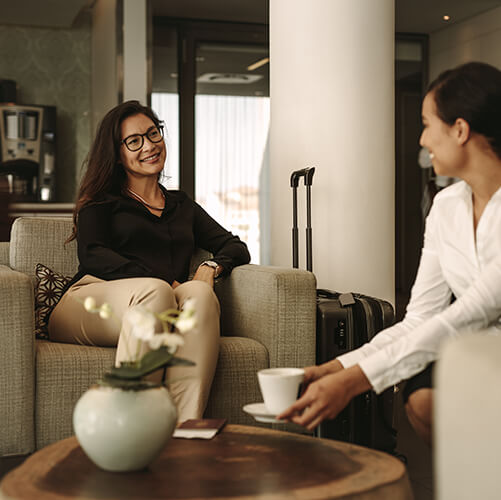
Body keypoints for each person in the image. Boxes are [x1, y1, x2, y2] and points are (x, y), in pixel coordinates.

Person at [279, 61, 501, 446]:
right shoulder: (446, 207)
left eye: (428, 124)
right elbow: (421, 318)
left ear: (460, 130)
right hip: (477, 350)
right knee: (424, 400)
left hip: (479, 344)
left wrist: (352, 383)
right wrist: (336, 367)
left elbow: (469, 313)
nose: (422, 139)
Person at [48, 100, 250, 421]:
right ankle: (132, 428)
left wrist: (210, 267)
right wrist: (163, 280)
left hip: (160, 302)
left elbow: (234, 246)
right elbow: (93, 254)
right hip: (87, 301)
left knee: (198, 294)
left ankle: (183, 426)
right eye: (134, 141)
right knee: (157, 292)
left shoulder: (182, 206)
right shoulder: (101, 202)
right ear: (117, 154)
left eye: (153, 133)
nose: (148, 146)